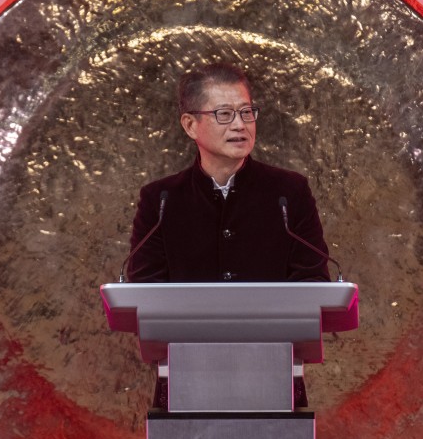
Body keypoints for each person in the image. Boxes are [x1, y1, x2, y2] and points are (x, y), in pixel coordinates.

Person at [127, 62, 332, 284]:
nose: (240, 125)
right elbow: (144, 294)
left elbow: (313, 286)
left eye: (246, 112)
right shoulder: (159, 201)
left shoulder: (290, 193)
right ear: (190, 125)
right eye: (224, 114)